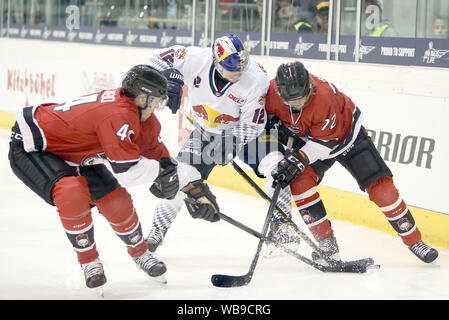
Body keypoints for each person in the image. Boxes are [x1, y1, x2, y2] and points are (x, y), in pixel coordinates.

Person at [8, 65, 182, 290]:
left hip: (70, 150)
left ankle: (140, 253)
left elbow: (159, 156)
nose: (158, 107)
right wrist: (161, 176)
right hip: (33, 146)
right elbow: (127, 173)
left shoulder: (141, 116)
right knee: (71, 191)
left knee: (116, 200)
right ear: (142, 97)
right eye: (157, 101)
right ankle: (89, 261)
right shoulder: (119, 114)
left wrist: (191, 187)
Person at [265, 60, 439, 264]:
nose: (296, 104)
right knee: (300, 183)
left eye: (301, 98)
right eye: (290, 101)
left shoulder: (324, 96)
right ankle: (327, 246)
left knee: (382, 189)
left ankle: (415, 241)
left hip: (347, 138)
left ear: (309, 86)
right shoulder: (270, 94)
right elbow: (259, 118)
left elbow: (322, 145)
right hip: (310, 140)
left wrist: (299, 158)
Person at [143, 34, 299, 254]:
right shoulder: (196, 58)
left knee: (279, 167)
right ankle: (156, 232)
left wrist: (233, 141)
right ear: (216, 62)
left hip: (247, 135)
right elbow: (154, 61)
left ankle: (282, 226)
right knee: (178, 178)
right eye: (231, 68)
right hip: (206, 133)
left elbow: (254, 123)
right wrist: (169, 76)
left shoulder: (256, 78)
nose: (239, 72)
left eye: (242, 66)